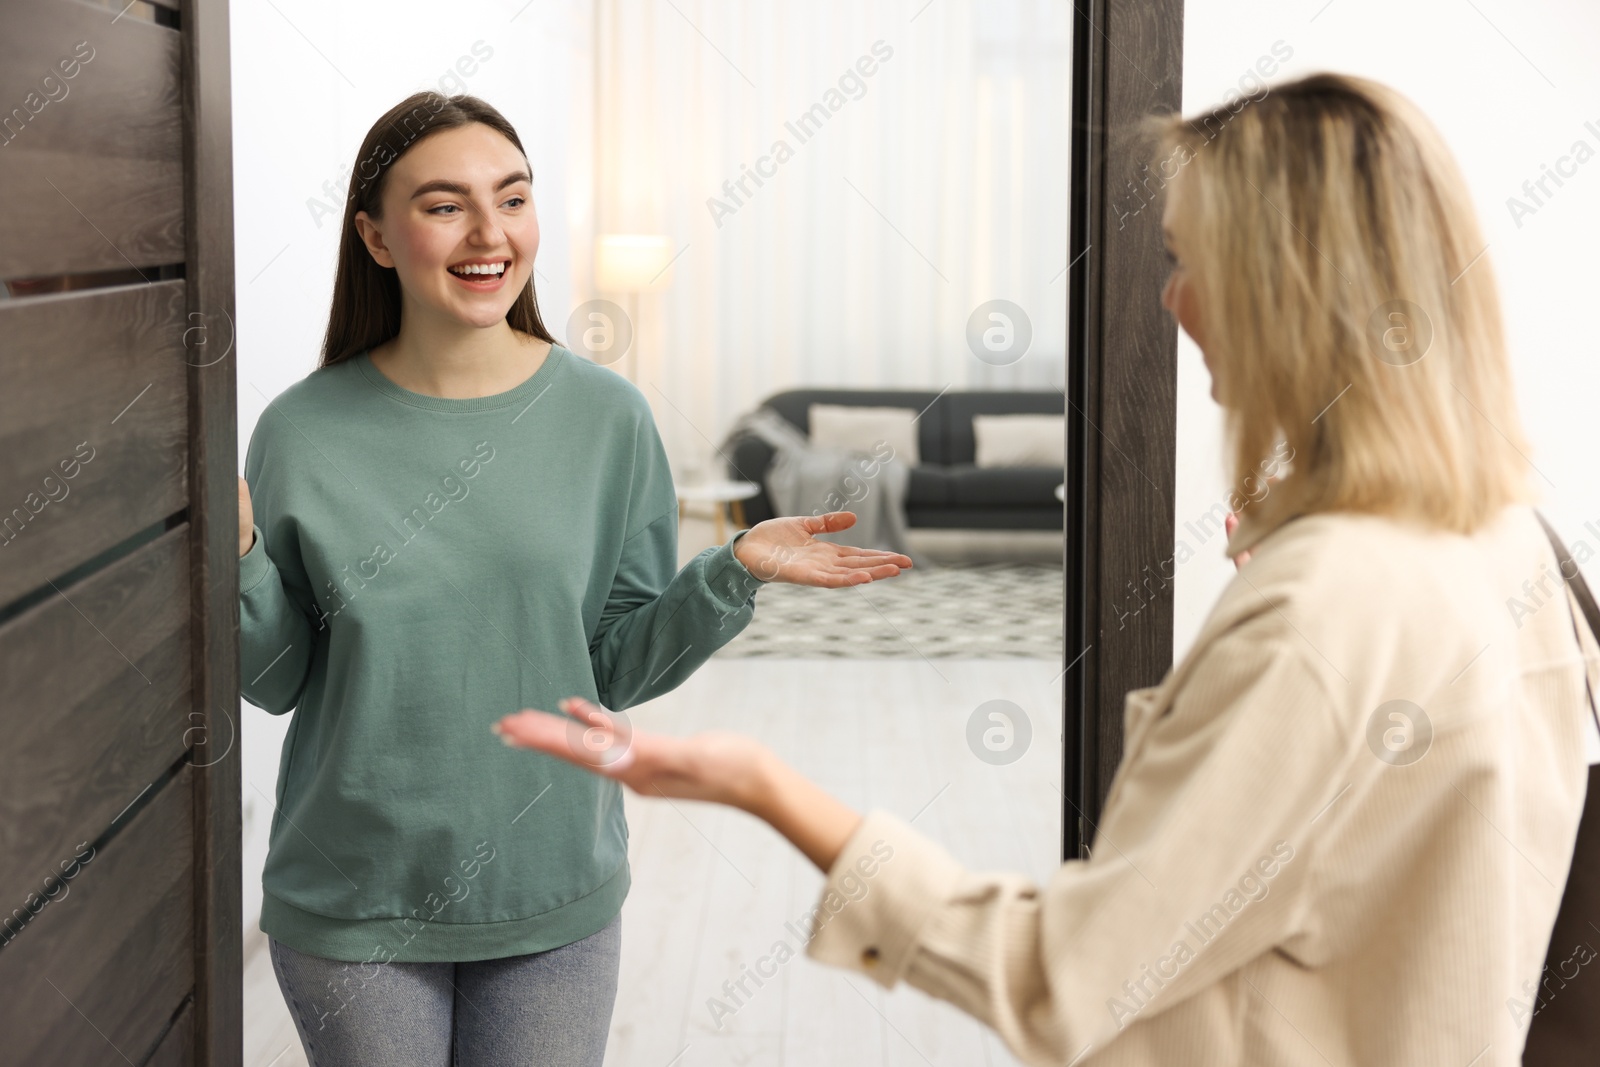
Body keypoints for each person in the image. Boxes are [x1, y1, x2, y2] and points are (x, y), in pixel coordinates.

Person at [494, 73, 1600, 1066]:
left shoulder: (1327, 608)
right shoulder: (1506, 541)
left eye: (1187, 261)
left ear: (1287, 287)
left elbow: (1066, 979)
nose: (1169, 301)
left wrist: (761, 783)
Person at [237, 91, 913, 1067]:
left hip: (551, 884)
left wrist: (726, 573)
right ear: (375, 237)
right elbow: (279, 678)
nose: (488, 233)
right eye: (442, 205)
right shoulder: (301, 430)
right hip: (354, 897)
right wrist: (243, 559)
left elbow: (612, 666)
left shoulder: (607, 419)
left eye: (512, 198)